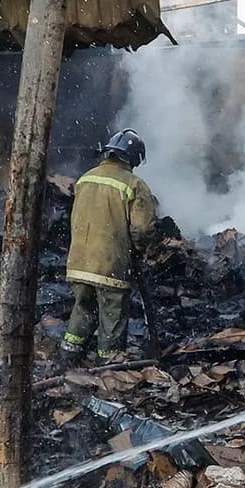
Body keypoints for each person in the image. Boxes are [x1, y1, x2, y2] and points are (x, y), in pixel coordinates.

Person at [63, 129, 158, 367]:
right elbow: (142, 229)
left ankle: (68, 354)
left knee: (84, 308)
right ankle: (109, 365)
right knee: (113, 315)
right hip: (110, 264)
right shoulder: (134, 184)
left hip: (78, 262)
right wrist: (139, 250)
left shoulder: (85, 179)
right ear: (133, 158)